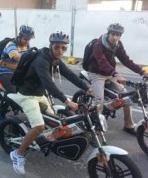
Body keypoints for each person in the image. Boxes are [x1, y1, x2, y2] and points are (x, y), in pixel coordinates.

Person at [7, 31, 92, 175]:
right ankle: (18, 154)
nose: (60, 51)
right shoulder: (41, 61)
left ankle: (41, 140)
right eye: (57, 47)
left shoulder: (55, 59)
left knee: (54, 123)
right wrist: (67, 101)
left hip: (39, 95)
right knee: (39, 126)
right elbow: (48, 84)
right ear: (51, 46)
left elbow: (70, 75)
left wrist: (88, 88)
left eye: (63, 48)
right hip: (27, 96)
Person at [87, 23, 148, 135]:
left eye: (118, 35)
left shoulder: (118, 45)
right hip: (96, 74)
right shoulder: (98, 45)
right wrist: (116, 74)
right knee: (99, 102)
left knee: (127, 97)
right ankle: (95, 130)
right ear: (108, 34)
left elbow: (126, 60)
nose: (116, 37)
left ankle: (129, 125)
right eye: (113, 34)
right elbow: (102, 63)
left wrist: (142, 72)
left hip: (110, 74)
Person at [0, 25, 35, 93]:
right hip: (4, 72)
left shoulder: (26, 46)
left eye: (29, 39)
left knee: (27, 88)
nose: (27, 41)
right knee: (14, 94)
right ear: (20, 36)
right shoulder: (12, 45)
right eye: (25, 39)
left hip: (16, 71)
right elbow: (17, 57)